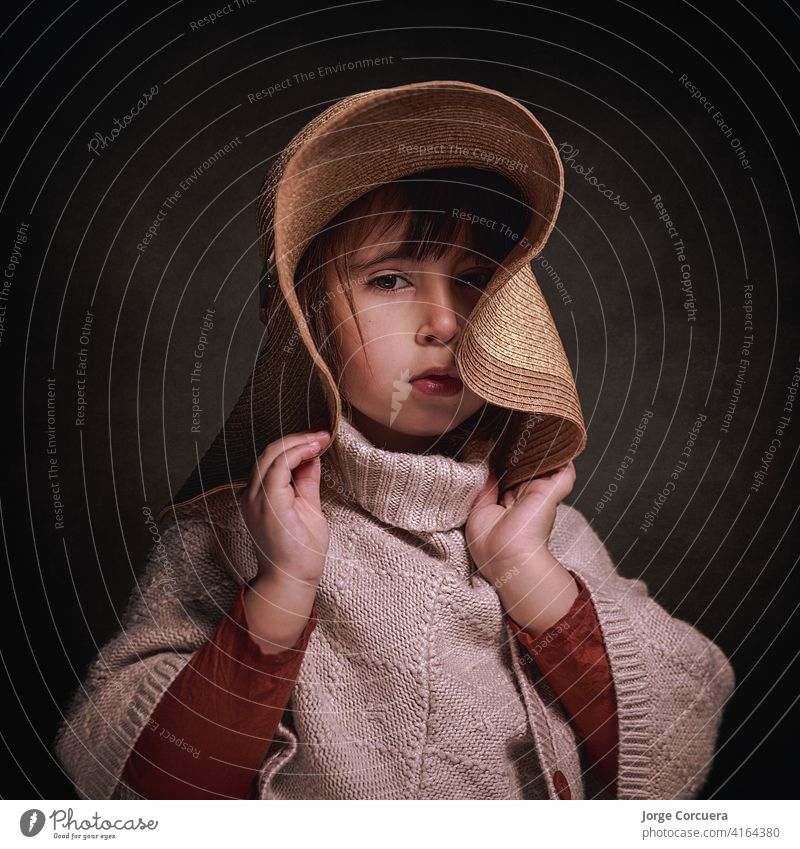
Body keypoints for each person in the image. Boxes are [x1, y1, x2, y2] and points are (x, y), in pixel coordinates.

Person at [54, 80, 735, 801]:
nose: (444, 321)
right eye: (389, 278)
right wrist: (279, 594)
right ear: (307, 320)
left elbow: (675, 748)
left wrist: (530, 578)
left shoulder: (547, 534)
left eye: (476, 281)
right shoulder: (230, 531)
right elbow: (135, 783)